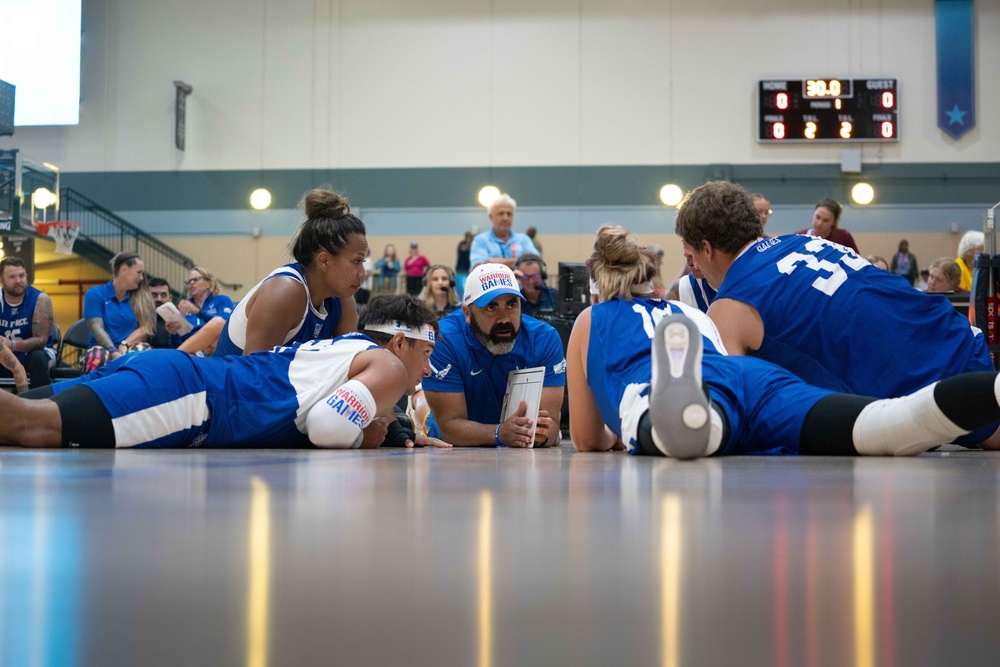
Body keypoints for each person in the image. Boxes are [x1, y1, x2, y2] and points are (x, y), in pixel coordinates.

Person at [566, 224, 1000, 459]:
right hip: (752, 380)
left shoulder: (591, 320)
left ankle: (689, 418)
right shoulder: (689, 313)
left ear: (598, 287)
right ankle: (994, 388)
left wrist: (611, 439)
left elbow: (586, 438)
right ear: (654, 284)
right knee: (890, 419)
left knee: (680, 428)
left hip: (664, 386)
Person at [674, 180, 997, 446]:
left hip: (932, 383)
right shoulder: (804, 242)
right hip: (957, 336)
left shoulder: (729, 307)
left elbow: (735, 409)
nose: (695, 268)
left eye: (692, 257)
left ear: (706, 248)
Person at [0, 295, 450, 450]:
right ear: (398, 343)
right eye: (426, 351)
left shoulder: (341, 350)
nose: (428, 367)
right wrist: (362, 437)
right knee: (29, 426)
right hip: (191, 401)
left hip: (170, 373)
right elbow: (329, 426)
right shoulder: (388, 364)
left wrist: (392, 428)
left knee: (17, 418)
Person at [420, 263, 565, 447]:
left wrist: (543, 434)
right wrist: (500, 433)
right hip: (454, 444)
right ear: (467, 313)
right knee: (425, 411)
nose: (504, 318)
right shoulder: (444, 339)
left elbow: (552, 425)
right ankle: (419, 399)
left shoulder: (545, 338)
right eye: (491, 308)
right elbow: (449, 426)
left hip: (514, 440)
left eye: (512, 305)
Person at [214, 187, 365, 357]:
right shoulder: (285, 291)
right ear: (324, 261)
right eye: (357, 261)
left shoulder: (342, 300)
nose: (362, 273)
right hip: (228, 382)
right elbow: (252, 376)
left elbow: (350, 361)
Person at [83, 251, 155, 368]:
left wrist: (125, 344)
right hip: (103, 349)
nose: (142, 278)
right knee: (97, 356)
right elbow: (96, 328)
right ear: (124, 270)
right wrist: (113, 351)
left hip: (128, 347)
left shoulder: (142, 298)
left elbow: (147, 328)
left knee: (143, 353)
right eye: (138, 273)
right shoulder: (95, 294)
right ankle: (93, 386)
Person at [0, 256, 56, 390]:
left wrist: (12, 345)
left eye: (21, 275)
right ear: (1, 281)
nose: (18, 281)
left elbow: (40, 341)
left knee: (38, 357)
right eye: (12, 277)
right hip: (3, 353)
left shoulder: (40, 299)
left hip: (36, 353)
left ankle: (41, 405)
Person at [169, 266, 235, 355]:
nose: (191, 283)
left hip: (217, 347)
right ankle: (177, 356)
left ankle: (175, 356)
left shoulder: (222, 300)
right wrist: (174, 333)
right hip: (192, 352)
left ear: (209, 283)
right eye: (189, 281)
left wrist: (198, 312)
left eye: (196, 279)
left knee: (218, 322)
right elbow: (176, 343)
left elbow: (225, 324)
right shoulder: (184, 307)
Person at [469, 194, 539, 269]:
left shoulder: (524, 240)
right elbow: (479, 267)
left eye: (509, 214)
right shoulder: (481, 240)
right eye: (501, 214)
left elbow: (536, 262)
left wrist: (491, 261)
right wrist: (520, 261)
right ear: (491, 217)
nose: (505, 218)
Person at [148, 277, 174, 349]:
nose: (159, 299)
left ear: (170, 298)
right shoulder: (138, 320)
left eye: (163, 295)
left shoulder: (178, 322)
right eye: (154, 295)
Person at [455, 231, 473, 298]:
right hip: (461, 270)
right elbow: (463, 248)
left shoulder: (472, 246)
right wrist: (469, 243)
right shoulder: (462, 244)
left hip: (468, 271)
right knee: (462, 288)